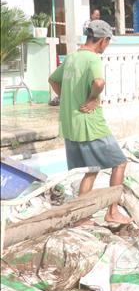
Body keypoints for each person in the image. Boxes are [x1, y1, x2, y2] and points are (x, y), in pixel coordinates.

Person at [48, 20, 131, 225]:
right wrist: (93, 98)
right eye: (108, 42)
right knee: (120, 163)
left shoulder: (72, 57)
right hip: (90, 125)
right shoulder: (93, 59)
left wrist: (67, 99)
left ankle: (81, 217)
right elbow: (99, 82)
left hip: (70, 125)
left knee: (91, 169)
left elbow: (53, 80)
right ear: (102, 41)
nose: (107, 46)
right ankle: (112, 211)